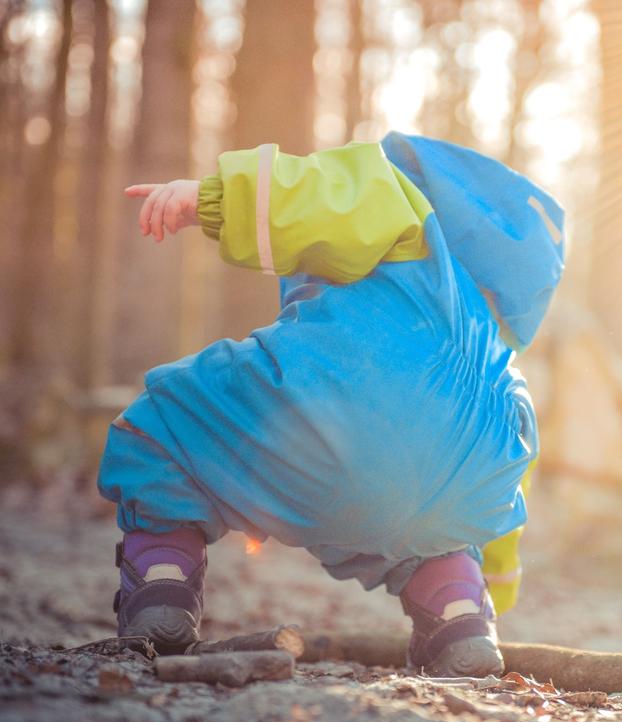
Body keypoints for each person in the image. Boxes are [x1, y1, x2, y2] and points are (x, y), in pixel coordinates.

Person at [100, 132, 565, 676]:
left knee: (166, 427)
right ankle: (459, 613)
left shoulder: (406, 215)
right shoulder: (501, 368)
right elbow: (508, 490)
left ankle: (163, 584)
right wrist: (498, 587)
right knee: (438, 530)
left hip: (329, 425)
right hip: (451, 498)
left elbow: (322, 195)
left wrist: (209, 200)